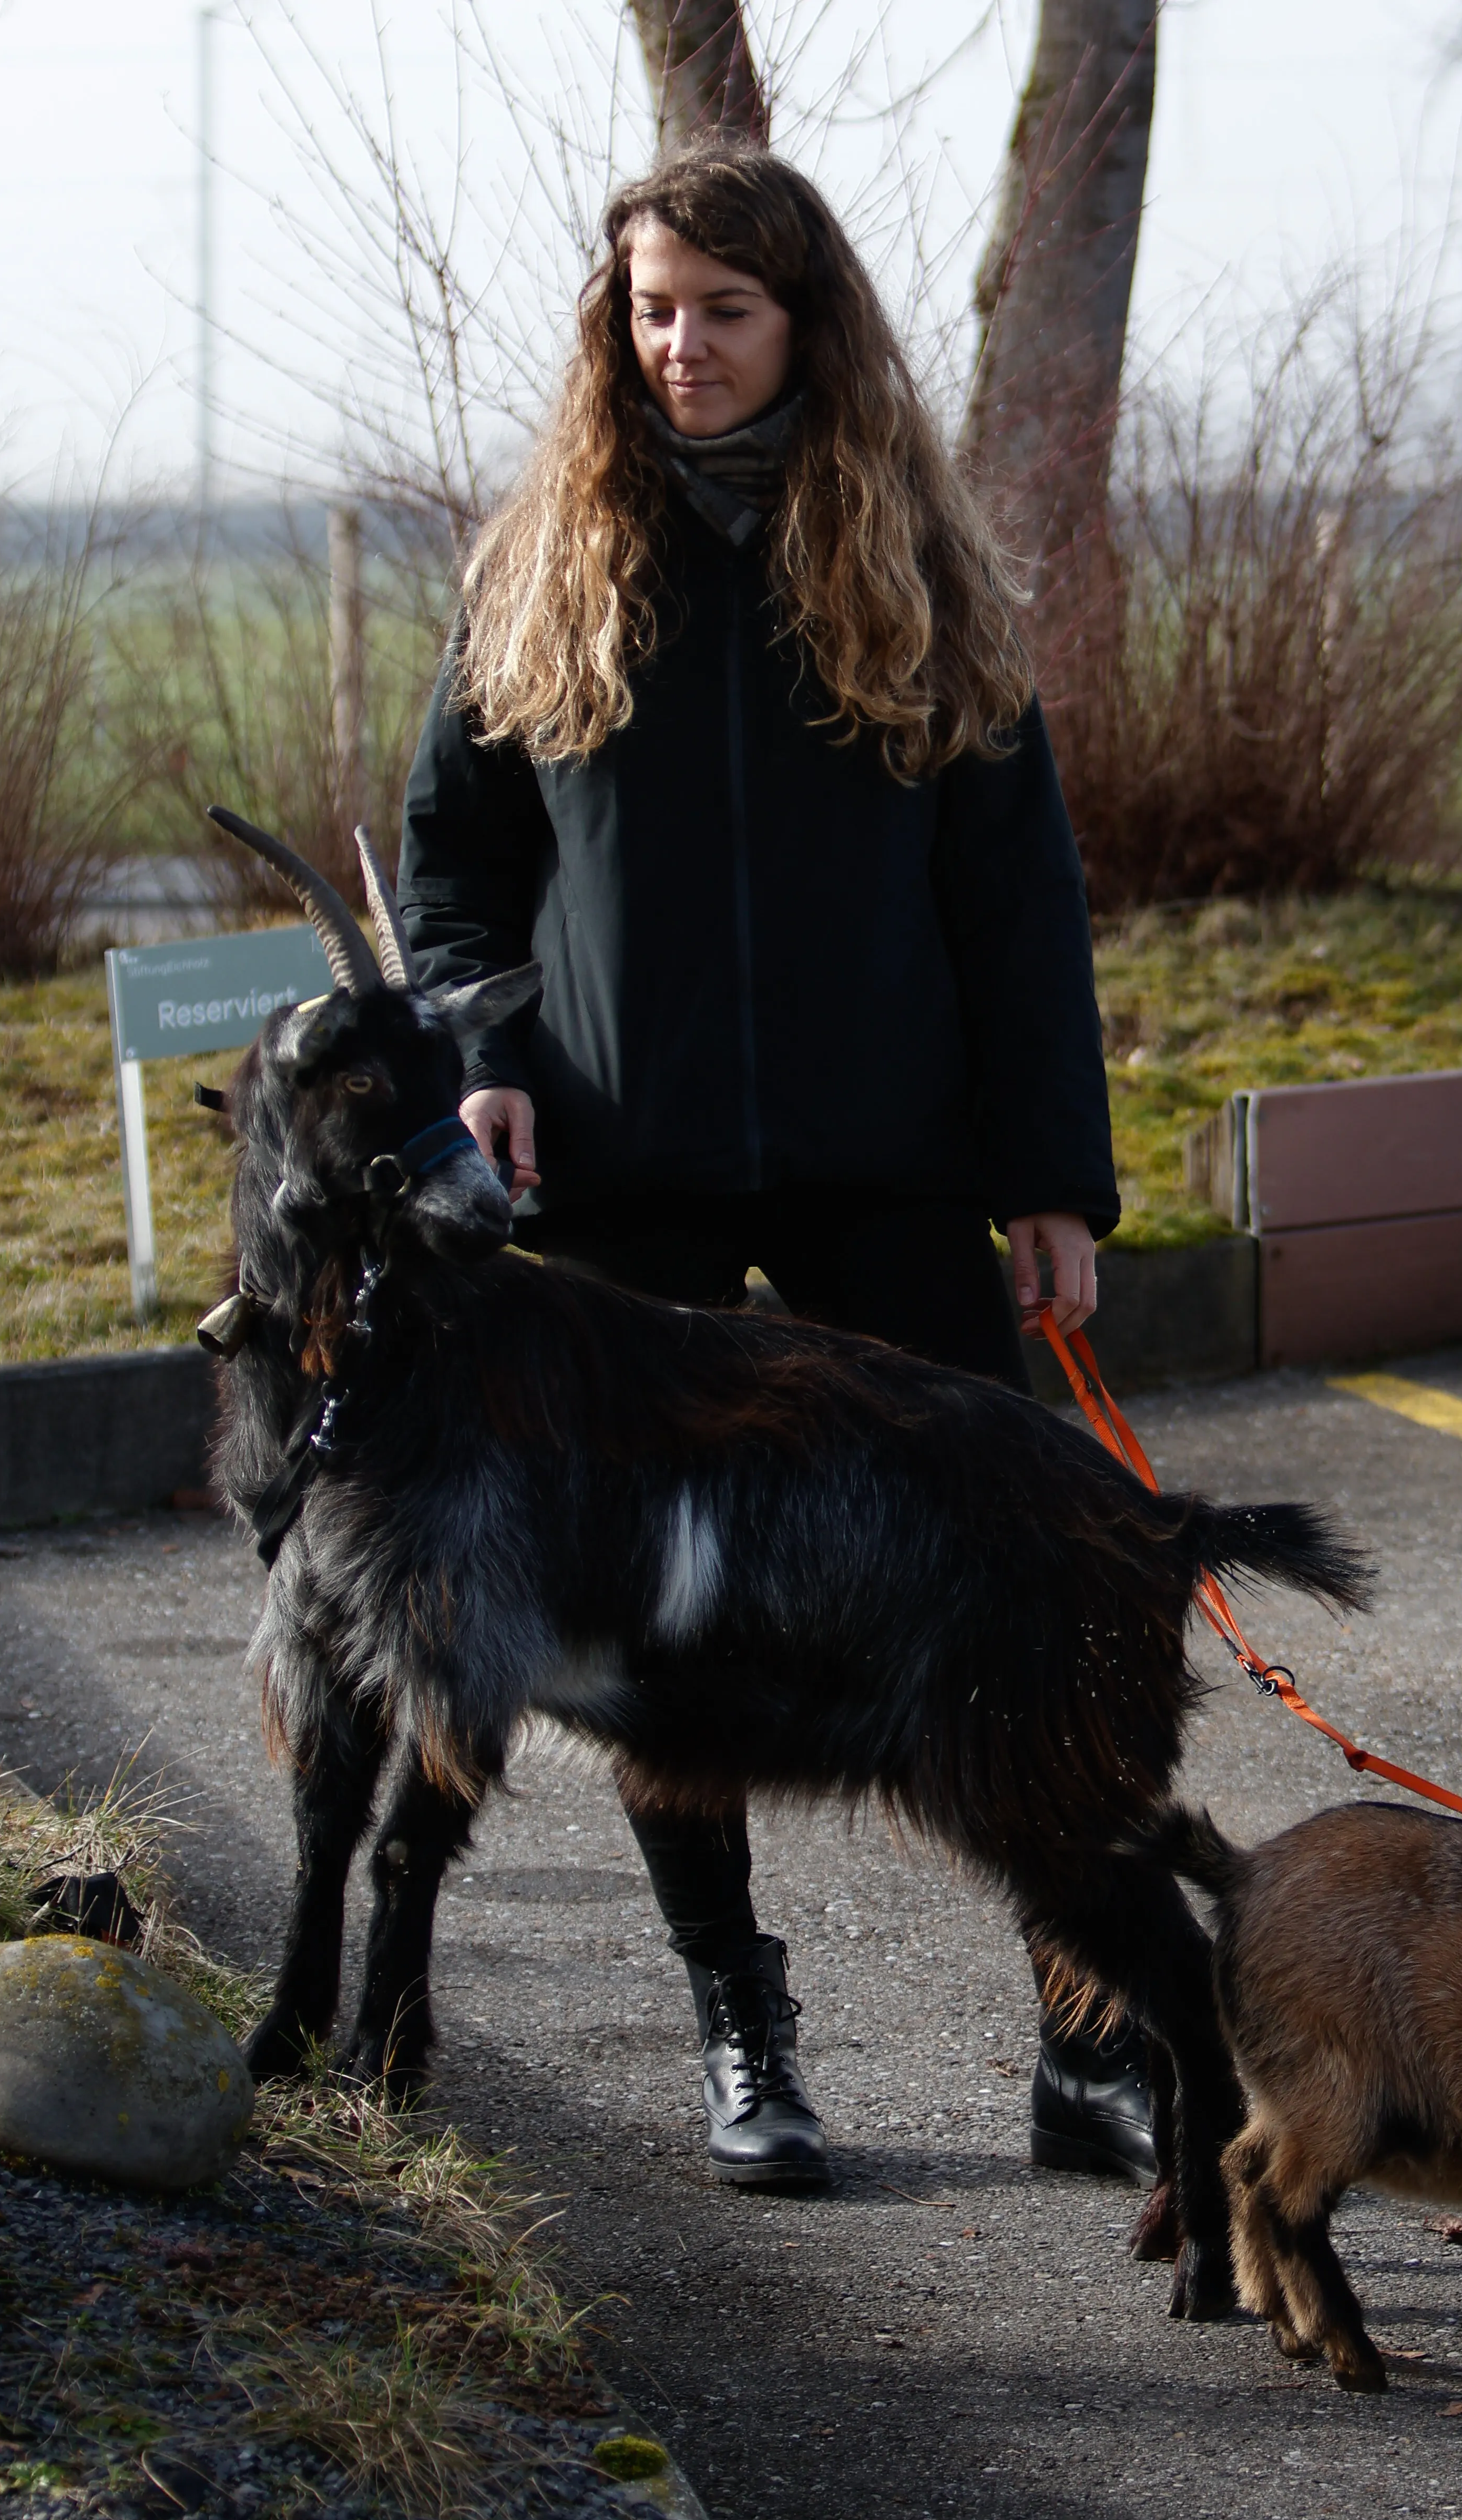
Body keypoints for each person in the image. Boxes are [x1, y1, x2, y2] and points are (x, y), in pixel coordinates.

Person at [397, 140, 1155, 2196]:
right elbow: (453, 865)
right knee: (656, 1620)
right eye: (651, 310)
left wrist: (1049, 1179)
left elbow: (1015, 903)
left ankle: (1089, 2036)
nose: (681, 345)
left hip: (883, 1162)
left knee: (1016, 1578)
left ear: (802, 321)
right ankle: (744, 2022)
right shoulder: (549, 557)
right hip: (619, 1168)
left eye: (722, 310)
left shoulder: (911, 558)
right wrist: (479, 1052)